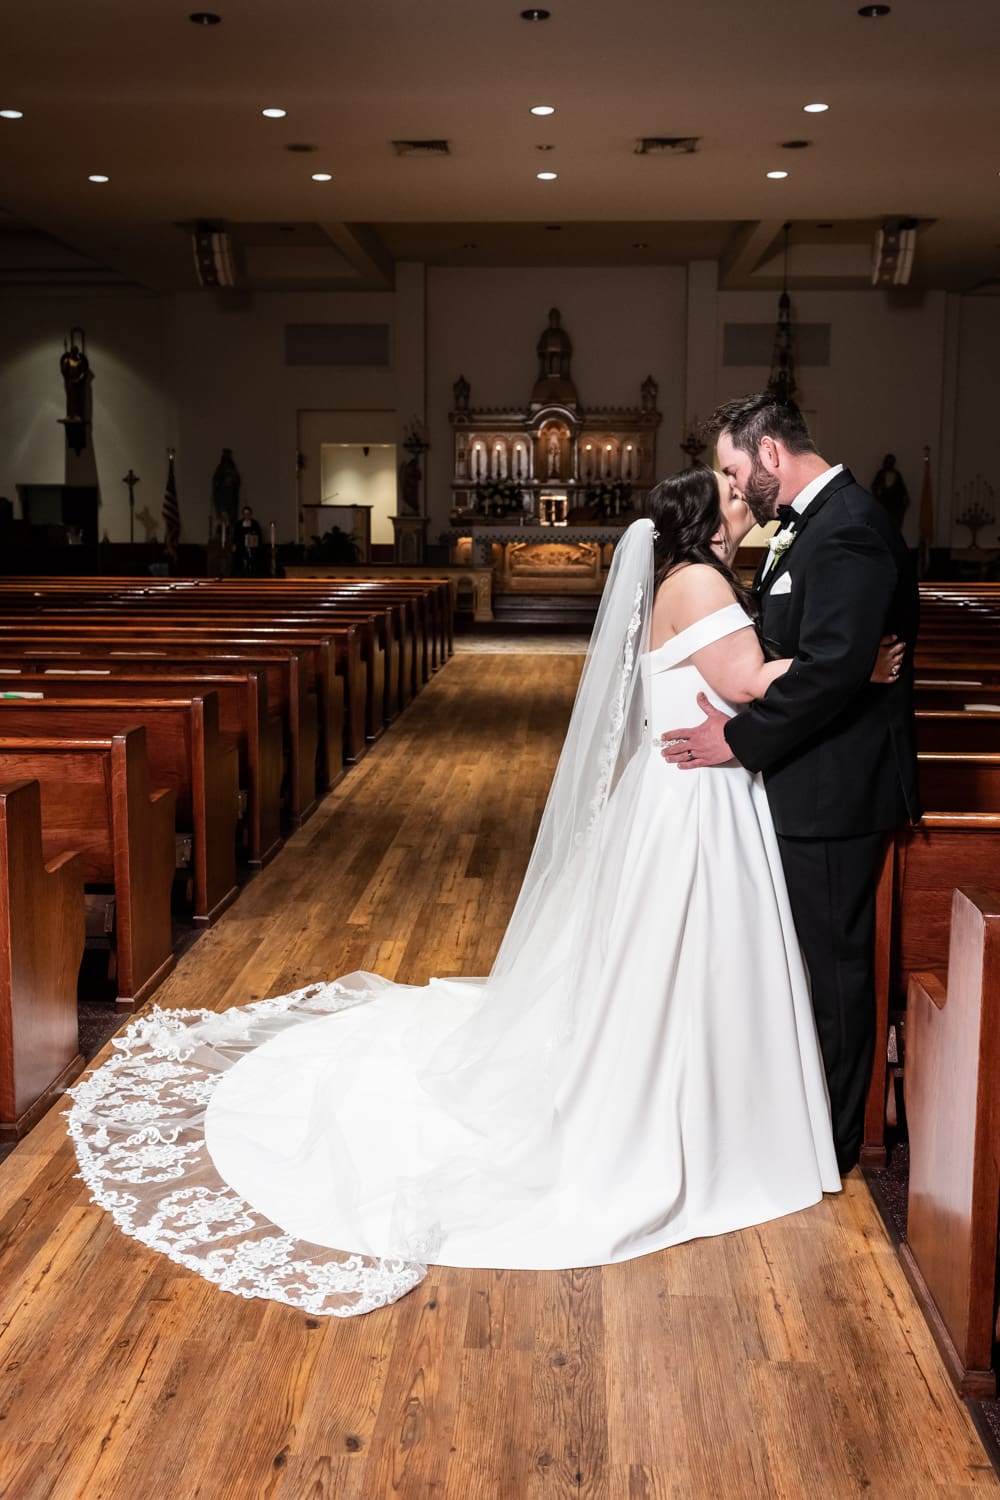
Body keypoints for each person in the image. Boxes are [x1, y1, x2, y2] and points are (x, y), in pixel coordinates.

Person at [67, 469, 900, 1318]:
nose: (745, 500)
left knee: (668, 960)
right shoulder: (701, 583)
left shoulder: (677, 585)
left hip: (680, 796)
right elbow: (757, 681)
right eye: (728, 494)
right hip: (698, 803)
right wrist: (855, 665)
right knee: (688, 955)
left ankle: (691, 1091)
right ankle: (694, 1111)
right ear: (700, 523)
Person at [660, 396, 920, 1175]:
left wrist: (737, 741)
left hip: (837, 790)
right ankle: (799, 1120)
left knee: (835, 975)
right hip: (803, 780)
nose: (736, 487)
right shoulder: (806, 527)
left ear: (770, 453)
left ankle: (834, 1146)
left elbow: (831, 671)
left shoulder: (846, 527)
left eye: (737, 469)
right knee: (806, 967)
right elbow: (805, 655)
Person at [235, 504, 262, 576]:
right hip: (241, 548)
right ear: (243, 514)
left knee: (252, 564)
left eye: (248, 514)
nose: (246, 515)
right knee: (242, 564)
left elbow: (259, 536)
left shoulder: (255, 524)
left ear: (250, 514)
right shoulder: (238, 524)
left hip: (252, 548)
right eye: (245, 514)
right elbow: (235, 536)